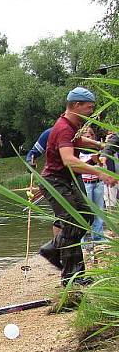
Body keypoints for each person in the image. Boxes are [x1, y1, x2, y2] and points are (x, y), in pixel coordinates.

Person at [39, 87, 116, 284]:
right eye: (88, 108)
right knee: (73, 224)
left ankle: (53, 251)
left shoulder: (70, 124)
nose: (91, 112)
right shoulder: (64, 127)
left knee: (85, 218)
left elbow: (77, 141)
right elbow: (69, 160)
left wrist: (99, 146)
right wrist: (101, 173)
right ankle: (72, 276)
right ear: (76, 105)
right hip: (54, 181)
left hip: (64, 181)